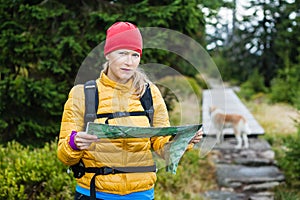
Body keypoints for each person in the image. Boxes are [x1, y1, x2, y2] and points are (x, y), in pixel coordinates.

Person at [57, 21, 203, 200]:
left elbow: (162, 149)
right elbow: (65, 157)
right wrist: (74, 143)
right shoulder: (82, 94)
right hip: (94, 192)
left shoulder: (150, 93)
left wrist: (185, 140)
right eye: (122, 53)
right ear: (108, 54)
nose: (129, 62)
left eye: (135, 55)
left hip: (141, 194)